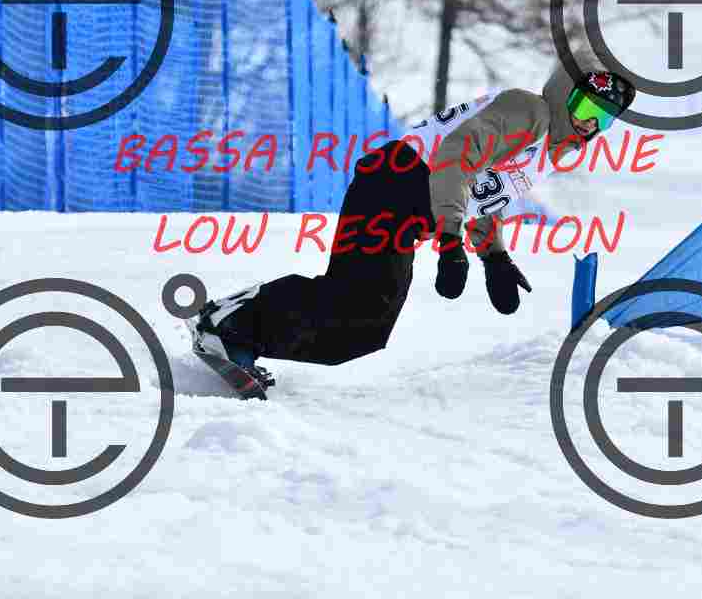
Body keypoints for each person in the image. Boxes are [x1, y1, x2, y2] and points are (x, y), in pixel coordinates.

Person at [189, 60, 636, 390]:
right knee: (360, 304)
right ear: (564, 93)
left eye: (603, 119)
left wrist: (494, 256)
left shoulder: (548, 149)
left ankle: (239, 333)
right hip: (395, 181)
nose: (589, 124)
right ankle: (229, 325)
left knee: (366, 328)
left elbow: (485, 193)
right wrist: (450, 240)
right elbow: (455, 158)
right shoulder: (531, 112)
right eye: (585, 107)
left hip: (408, 204)